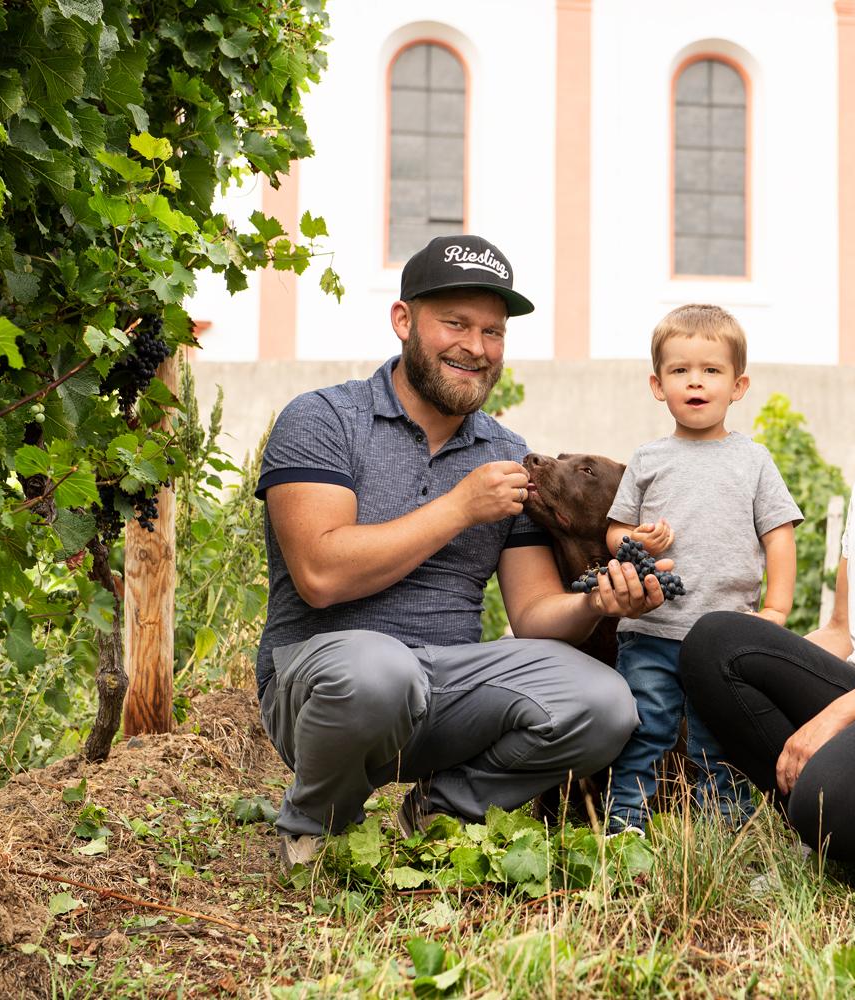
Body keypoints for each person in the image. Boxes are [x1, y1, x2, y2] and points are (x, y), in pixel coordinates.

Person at [255, 234, 670, 869]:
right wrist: (457, 508)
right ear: (402, 321)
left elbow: (533, 616)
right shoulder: (322, 420)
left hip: (448, 687)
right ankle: (319, 823)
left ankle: (444, 810)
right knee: (379, 672)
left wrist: (599, 598)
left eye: (493, 332)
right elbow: (319, 573)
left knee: (606, 703)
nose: (476, 348)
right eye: (455, 323)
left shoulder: (505, 450)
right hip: (327, 684)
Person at [680, 266, 855, 864]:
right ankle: (825, 809)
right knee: (714, 642)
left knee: (836, 807)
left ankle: (847, 812)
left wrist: (836, 715)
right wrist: (761, 674)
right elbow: (845, 630)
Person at [604, 304, 803, 835]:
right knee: (643, 729)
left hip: (724, 640)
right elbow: (615, 532)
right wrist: (634, 541)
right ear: (657, 383)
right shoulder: (648, 459)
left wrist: (775, 610)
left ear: (738, 386)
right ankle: (627, 828)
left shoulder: (753, 460)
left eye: (711, 371)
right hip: (652, 631)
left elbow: (778, 537)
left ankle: (725, 834)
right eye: (680, 370)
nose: (696, 382)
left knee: (718, 739)